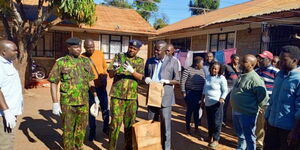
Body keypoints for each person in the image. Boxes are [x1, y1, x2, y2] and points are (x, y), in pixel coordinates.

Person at [48, 37, 96, 150]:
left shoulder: (85, 61)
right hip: (68, 103)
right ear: (69, 48)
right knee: (68, 130)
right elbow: (53, 82)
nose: (78, 49)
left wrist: (95, 97)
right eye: (75, 47)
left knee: (81, 129)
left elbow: (90, 80)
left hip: (84, 102)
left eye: (79, 47)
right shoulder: (61, 62)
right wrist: (55, 102)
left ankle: (78, 147)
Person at [107, 40, 144, 150]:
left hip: (131, 98)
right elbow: (110, 74)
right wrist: (115, 69)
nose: (131, 50)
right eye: (130, 47)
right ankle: (111, 148)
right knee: (114, 125)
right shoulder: (119, 57)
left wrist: (132, 71)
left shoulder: (140, 61)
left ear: (138, 50)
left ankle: (128, 148)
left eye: (134, 49)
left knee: (129, 126)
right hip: (117, 97)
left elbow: (141, 78)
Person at [144, 40, 180, 150]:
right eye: (155, 49)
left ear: (165, 51)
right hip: (152, 96)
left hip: (165, 97)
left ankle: (166, 148)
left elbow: (177, 80)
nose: (155, 52)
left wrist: (167, 81)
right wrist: (146, 79)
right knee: (151, 124)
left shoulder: (173, 61)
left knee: (165, 127)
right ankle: (151, 146)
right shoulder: (150, 61)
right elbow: (145, 75)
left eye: (158, 50)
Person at [264, 45, 300, 150]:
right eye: (280, 60)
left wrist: (294, 131)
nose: (280, 63)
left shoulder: (298, 79)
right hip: (272, 125)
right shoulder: (279, 75)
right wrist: (267, 118)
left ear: (294, 61)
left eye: (284, 60)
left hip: (288, 130)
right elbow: (273, 100)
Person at [230, 54, 268, 150]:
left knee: (249, 136)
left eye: (244, 61)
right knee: (240, 135)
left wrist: (260, 106)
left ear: (252, 65)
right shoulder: (242, 74)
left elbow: (263, 96)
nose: (241, 63)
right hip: (236, 110)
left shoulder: (255, 79)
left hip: (247, 113)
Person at [81, 39, 110, 140]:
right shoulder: (82, 57)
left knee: (105, 109)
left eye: (92, 46)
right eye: (88, 47)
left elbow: (105, 67)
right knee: (92, 111)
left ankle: (106, 128)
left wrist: (104, 76)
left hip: (101, 87)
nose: (91, 49)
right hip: (90, 89)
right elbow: (84, 75)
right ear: (84, 47)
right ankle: (92, 132)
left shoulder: (99, 54)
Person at [0, 40, 23, 150]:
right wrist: (6, 110)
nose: (17, 52)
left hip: (11, 111)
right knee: (5, 144)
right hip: (4, 114)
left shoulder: (8, 63)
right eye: (14, 50)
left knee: (9, 139)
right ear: (4, 52)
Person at [255, 50, 279, 150]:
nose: (259, 60)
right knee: (258, 125)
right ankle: (259, 145)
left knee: (268, 126)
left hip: (268, 103)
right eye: (259, 58)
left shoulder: (276, 72)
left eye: (262, 59)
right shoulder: (256, 71)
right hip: (257, 103)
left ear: (269, 60)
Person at [201, 62, 228, 148]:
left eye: (216, 69)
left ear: (219, 70)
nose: (214, 70)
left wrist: (222, 98)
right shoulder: (208, 77)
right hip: (208, 103)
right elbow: (205, 89)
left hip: (217, 103)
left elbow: (225, 90)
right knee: (210, 121)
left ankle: (216, 140)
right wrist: (202, 99)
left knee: (217, 122)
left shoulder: (221, 78)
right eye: (213, 68)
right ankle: (210, 137)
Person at [180, 56, 205, 135]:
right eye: (202, 63)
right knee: (190, 111)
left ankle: (196, 128)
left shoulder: (202, 70)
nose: (203, 65)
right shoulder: (188, 70)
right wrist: (183, 92)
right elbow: (182, 81)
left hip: (199, 94)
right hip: (190, 93)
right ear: (197, 64)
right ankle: (187, 128)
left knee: (197, 111)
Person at [223, 54, 240, 126]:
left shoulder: (240, 67)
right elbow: (223, 77)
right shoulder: (226, 66)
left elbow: (241, 76)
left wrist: (237, 70)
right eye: (235, 59)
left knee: (235, 104)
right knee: (225, 104)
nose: (237, 61)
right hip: (228, 87)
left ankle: (235, 121)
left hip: (236, 87)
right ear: (231, 59)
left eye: (238, 60)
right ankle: (223, 120)